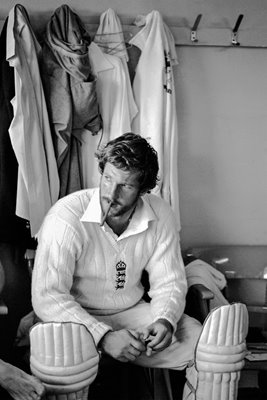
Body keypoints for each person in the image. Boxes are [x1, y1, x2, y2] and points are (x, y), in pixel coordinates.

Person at [31, 132, 202, 398]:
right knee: (62, 357)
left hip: (132, 314)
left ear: (144, 190)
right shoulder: (66, 216)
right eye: (108, 178)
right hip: (72, 320)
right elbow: (47, 297)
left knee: (210, 348)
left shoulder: (160, 213)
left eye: (126, 186)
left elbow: (169, 281)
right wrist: (104, 336)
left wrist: (165, 319)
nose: (111, 193)